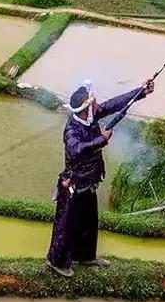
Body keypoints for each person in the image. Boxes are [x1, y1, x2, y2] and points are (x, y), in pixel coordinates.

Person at [47, 78, 154, 277]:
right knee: (67, 224)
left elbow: (114, 104)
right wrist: (102, 139)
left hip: (89, 180)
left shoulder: (91, 117)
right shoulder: (72, 130)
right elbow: (77, 150)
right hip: (74, 183)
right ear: (83, 109)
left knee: (88, 220)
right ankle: (57, 261)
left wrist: (141, 91)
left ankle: (85, 256)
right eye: (93, 103)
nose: (98, 106)